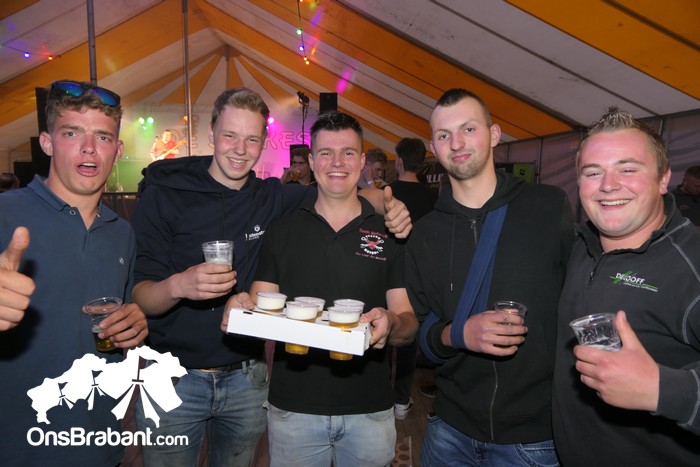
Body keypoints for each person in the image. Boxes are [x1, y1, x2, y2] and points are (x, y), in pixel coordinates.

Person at [131, 88, 412, 466]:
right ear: (211, 134)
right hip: (173, 376)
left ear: (264, 143)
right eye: (230, 135)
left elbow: (340, 189)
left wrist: (389, 204)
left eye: (252, 139)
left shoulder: (271, 198)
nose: (240, 149)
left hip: (247, 379)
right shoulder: (166, 194)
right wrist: (178, 285)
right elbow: (141, 295)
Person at [222, 111, 418, 467]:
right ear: (311, 162)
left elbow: (408, 322)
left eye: (348, 153)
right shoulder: (282, 231)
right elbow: (259, 307)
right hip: (293, 411)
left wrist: (392, 323)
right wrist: (240, 308)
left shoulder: (389, 232)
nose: (337, 162)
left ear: (362, 161)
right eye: (326, 153)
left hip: (370, 411)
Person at [405, 88, 574, 466]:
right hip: (450, 429)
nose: (457, 143)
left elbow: (580, 299)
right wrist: (458, 334)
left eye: (469, 129)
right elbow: (420, 334)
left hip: (534, 437)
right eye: (444, 135)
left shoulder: (548, 207)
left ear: (494, 134)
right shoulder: (425, 233)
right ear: (433, 147)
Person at [0, 79, 148, 466]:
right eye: (72, 133)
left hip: (99, 446)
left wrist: (132, 325)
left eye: (103, 136)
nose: (89, 147)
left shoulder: (122, 233)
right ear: (47, 143)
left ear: (117, 151)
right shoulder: (5, 214)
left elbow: (119, 316)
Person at [552, 107, 700, 466]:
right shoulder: (581, 246)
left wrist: (662, 390)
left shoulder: (692, 262)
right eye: (593, 172)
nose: (608, 184)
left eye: (628, 169)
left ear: (663, 179)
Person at [388, 137, 435, 420]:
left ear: (399, 161)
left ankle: (381, 397)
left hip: (389, 273)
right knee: (408, 339)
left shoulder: (388, 193)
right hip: (419, 276)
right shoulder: (432, 197)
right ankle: (400, 401)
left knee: (383, 334)